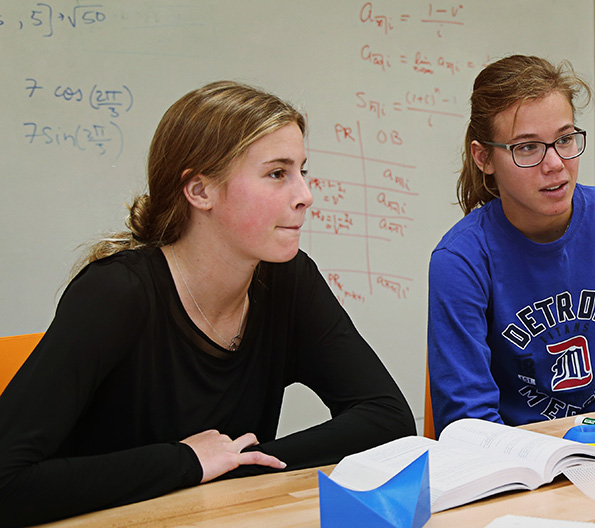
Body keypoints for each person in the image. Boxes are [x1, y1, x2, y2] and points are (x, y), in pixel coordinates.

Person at [0, 81, 416, 526]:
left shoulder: (287, 280)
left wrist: (240, 462)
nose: (305, 195)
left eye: (302, 171)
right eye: (277, 173)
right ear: (200, 192)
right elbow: (7, 483)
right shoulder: (115, 294)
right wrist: (186, 462)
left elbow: (386, 417)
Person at [428, 55, 595, 433]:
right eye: (527, 148)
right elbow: (468, 415)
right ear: (484, 157)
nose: (556, 163)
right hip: (513, 460)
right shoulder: (459, 260)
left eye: (565, 139)